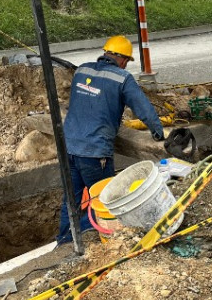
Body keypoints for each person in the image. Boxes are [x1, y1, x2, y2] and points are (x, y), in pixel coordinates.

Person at [57, 35, 164, 245]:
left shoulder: (82, 71)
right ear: (123, 59)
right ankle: (109, 243)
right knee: (105, 201)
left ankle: (65, 241)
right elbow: (143, 109)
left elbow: (87, 104)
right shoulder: (122, 78)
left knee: (71, 199)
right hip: (94, 152)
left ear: (105, 52)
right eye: (126, 61)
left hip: (68, 147)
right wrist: (158, 132)